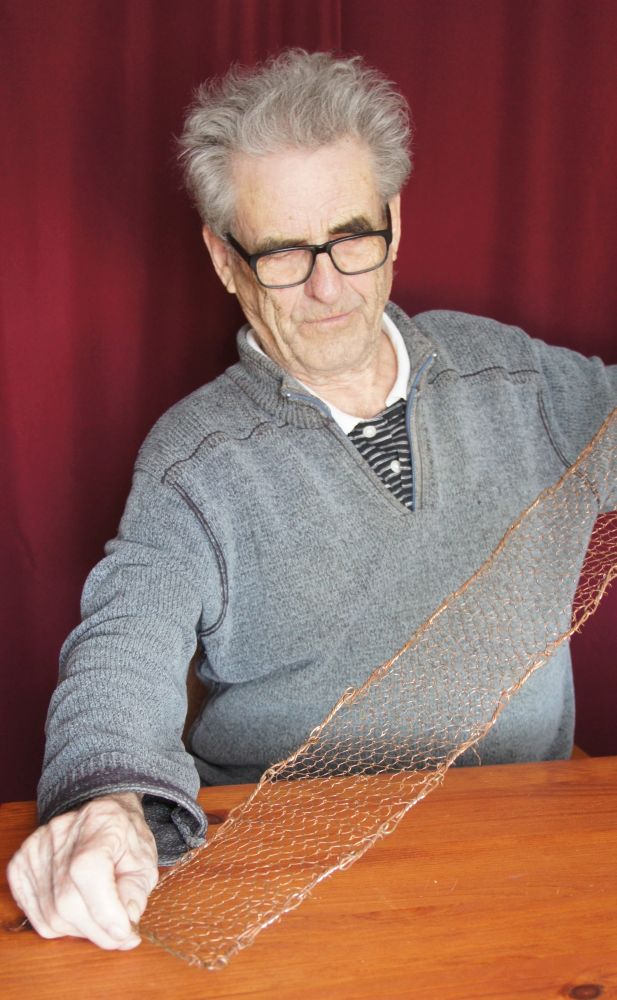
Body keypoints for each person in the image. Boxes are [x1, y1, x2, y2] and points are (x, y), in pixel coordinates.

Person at [7, 49, 617, 952]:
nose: (329, 287)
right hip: (288, 885)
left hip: (523, 838)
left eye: (350, 237)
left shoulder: (514, 375)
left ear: (394, 221)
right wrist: (105, 796)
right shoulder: (195, 460)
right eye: (284, 254)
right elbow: (123, 644)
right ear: (223, 258)